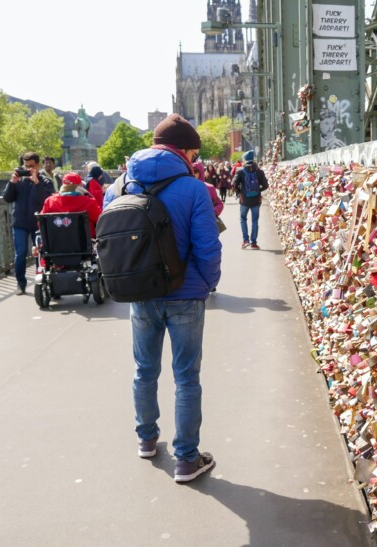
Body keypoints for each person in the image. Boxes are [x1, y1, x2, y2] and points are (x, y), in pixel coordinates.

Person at [103, 113, 222, 484]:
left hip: (141, 293)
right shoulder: (192, 189)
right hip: (186, 295)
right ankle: (187, 459)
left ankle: (147, 439)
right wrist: (206, 283)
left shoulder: (119, 186)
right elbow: (207, 247)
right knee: (186, 377)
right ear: (185, 151)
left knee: (144, 370)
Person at [3, 152, 54, 294]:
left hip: (38, 224)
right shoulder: (18, 181)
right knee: (20, 255)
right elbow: (7, 198)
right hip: (19, 223)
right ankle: (20, 283)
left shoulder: (45, 182)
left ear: (37, 165)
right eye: (26, 166)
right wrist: (12, 182)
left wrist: (36, 182)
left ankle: (43, 281)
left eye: (31, 166)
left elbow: (46, 201)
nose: (28, 169)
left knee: (41, 254)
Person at [40, 173, 102, 237]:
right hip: (84, 244)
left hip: (55, 244)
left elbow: (40, 223)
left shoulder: (49, 202)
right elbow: (101, 220)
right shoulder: (89, 202)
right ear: (80, 186)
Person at [233, 150, 268, 250]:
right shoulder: (259, 171)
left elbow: (233, 184)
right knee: (255, 221)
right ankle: (254, 243)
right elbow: (266, 185)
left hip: (244, 200)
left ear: (245, 159)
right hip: (256, 200)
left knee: (243, 219)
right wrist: (258, 190)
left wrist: (240, 193)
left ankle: (245, 240)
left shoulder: (240, 171)